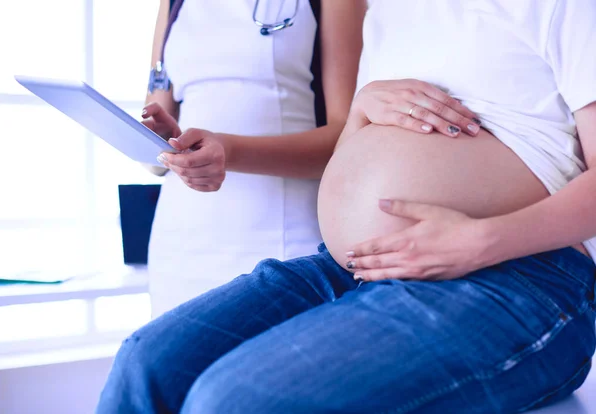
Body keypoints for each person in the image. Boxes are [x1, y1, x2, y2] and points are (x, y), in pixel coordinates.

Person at [98, 0, 596, 412]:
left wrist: (478, 241)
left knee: (235, 401)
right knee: (148, 366)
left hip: (515, 275)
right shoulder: (391, 10)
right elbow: (359, 148)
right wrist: (362, 108)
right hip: (355, 267)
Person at [141, 0, 365, 317]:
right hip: (179, 246)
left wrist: (229, 152)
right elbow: (154, 152)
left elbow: (348, 138)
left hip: (281, 242)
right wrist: (163, 140)